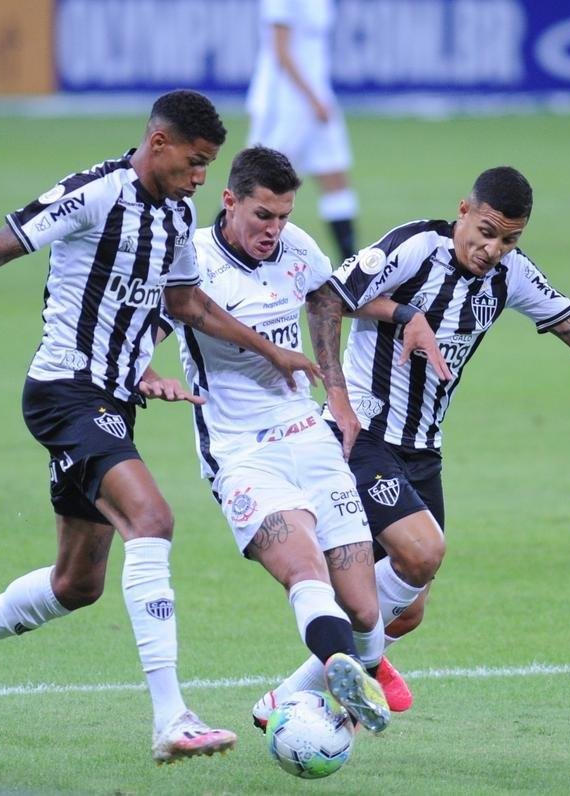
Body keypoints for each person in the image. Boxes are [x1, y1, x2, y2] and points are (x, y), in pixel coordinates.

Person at [0, 90, 321, 764]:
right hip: (64, 392)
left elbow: (186, 304)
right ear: (159, 143)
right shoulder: (94, 193)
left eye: (209, 165)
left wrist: (271, 351)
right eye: (196, 162)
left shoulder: (174, 215)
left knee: (76, 584)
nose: (202, 178)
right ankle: (172, 717)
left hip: (112, 402)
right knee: (152, 519)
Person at [251, 166, 570, 721]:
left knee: (406, 612)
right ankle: (349, 655)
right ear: (464, 210)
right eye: (486, 230)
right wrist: (342, 387)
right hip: (361, 433)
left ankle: (288, 695)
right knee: (422, 552)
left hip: (422, 450)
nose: (493, 248)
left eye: (509, 239)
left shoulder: (510, 274)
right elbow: (327, 298)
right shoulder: (414, 247)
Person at [159, 145, 389, 732]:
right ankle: (339, 670)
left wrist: (335, 393)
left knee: (365, 610)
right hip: (242, 452)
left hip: (311, 438)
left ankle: (290, 697)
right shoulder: (193, 260)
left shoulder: (298, 249)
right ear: (230, 200)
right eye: (264, 215)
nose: (275, 230)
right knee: (305, 570)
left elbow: (325, 301)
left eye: (284, 216)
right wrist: (143, 375)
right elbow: (147, 321)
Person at [246, 0, 359, 262]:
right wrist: (312, 99)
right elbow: (281, 51)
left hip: (316, 96)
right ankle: (215, 256)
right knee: (256, 180)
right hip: (285, 101)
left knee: (335, 175)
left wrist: (318, 98)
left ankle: (352, 274)